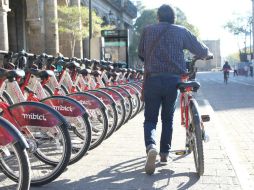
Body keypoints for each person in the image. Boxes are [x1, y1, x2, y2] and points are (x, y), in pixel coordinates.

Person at [138, 4, 212, 175]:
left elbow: (141, 54)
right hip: (173, 81)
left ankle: (151, 147)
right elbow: (200, 49)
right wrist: (207, 54)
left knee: (150, 119)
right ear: (173, 18)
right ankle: (164, 154)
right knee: (167, 119)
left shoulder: (147, 30)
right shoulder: (181, 31)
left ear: (158, 17)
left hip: (152, 79)